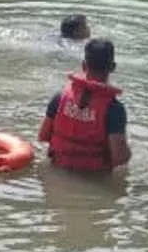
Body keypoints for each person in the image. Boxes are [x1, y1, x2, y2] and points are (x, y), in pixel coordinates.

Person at [38, 38, 131, 172]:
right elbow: (119, 158)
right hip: (94, 178)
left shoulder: (60, 97)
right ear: (112, 67)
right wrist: (129, 150)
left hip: (58, 167)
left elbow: (43, 136)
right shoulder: (114, 109)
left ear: (83, 65)